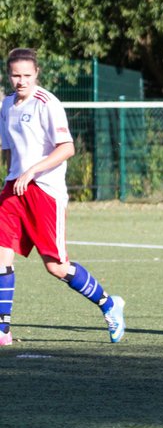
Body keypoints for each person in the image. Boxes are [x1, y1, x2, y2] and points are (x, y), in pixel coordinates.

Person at [0, 48, 125, 345]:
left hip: (45, 191)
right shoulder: (6, 105)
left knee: (55, 266)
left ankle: (108, 303)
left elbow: (66, 148)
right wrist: (12, 176)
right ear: (8, 75)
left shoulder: (47, 103)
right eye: (16, 75)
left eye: (27, 75)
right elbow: (8, 149)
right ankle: (3, 330)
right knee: (1, 256)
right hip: (13, 189)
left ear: (37, 74)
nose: (21, 81)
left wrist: (31, 172)